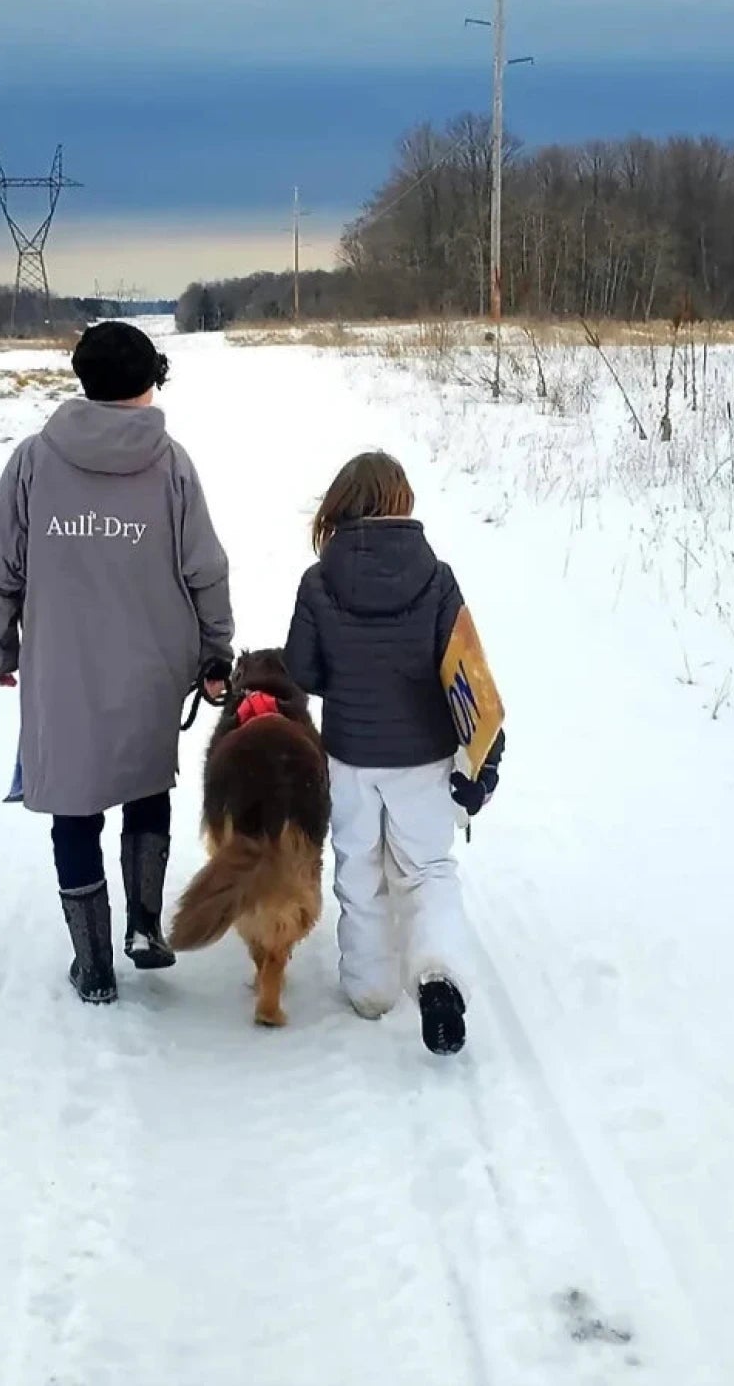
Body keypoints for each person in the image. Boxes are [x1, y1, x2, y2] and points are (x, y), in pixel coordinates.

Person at [0, 321, 233, 1005]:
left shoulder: (33, 460)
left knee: (74, 809)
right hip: (153, 668)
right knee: (147, 791)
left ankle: (92, 966)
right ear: (149, 383)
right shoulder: (171, 462)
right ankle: (145, 927)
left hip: (65, 672)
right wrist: (216, 650)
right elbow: (205, 568)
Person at [282, 451, 504, 1055]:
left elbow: (301, 669)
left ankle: (371, 989)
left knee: (358, 871)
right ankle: (437, 976)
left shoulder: (318, 581)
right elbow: (467, 672)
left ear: (341, 503)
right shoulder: (437, 578)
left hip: (351, 756)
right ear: (401, 501)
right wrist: (487, 756)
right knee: (427, 870)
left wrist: (349, 676)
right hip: (425, 757)